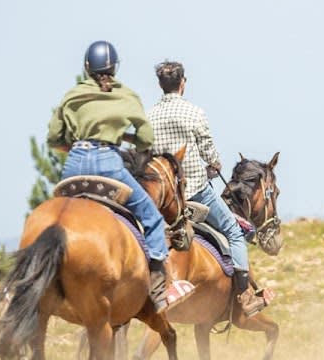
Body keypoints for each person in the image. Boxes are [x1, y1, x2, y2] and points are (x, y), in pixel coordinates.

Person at [47, 41, 193, 312]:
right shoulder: (125, 95)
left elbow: (55, 138)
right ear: (114, 67)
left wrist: (77, 145)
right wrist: (126, 139)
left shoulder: (72, 95)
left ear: (87, 67)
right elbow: (146, 138)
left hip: (74, 163)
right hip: (108, 162)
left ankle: (21, 285)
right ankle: (159, 290)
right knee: (151, 218)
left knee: (54, 218)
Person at [148, 60, 255, 308]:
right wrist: (215, 164)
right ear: (182, 83)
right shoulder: (194, 112)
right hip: (196, 191)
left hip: (164, 197)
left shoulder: (149, 116)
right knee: (233, 231)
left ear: (160, 85)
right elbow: (208, 150)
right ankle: (244, 295)